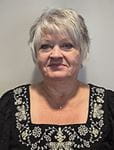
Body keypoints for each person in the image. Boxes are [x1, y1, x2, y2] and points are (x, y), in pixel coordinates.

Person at [0, 8, 114, 150]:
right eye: (46, 46)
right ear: (36, 54)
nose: (55, 54)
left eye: (67, 46)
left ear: (82, 52)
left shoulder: (109, 106)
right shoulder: (10, 106)